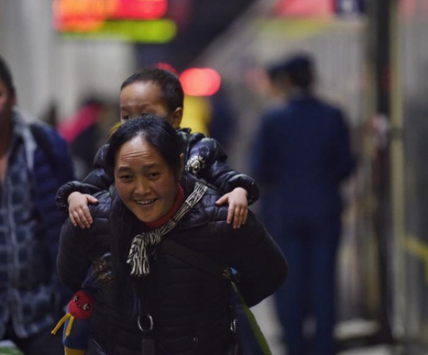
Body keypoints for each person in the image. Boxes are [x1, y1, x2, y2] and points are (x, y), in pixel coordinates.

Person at [57, 115, 288, 354]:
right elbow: (69, 275)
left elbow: (270, 271)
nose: (142, 189)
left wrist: (218, 305)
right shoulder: (90, 219)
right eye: (126, 177)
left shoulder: (222, 217)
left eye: (154, 175)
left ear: (177, 167)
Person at [56, 68, 258, 231]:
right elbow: (89, 185)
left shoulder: (200, 149)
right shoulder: (114, 154)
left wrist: (239, 191)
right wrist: (75, 196)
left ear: (175, 117)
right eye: (126, 116)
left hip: (193, 240)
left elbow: (227, 177)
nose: (134, 124)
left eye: (146, 115)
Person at [251, 54, 355, 355]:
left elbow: (261, 169)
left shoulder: (273, 119)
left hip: (285, 215)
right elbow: (345, 166)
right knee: (324, 284)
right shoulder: (333, 115)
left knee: (289, 283)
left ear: (286, 81)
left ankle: (295, 347)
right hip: (325, 212)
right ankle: (324, 347)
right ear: (312, 77)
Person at [0, 55, 74, 354]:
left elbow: (68, 222)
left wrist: (70, 295)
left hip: (44, 314)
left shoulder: (44, 144)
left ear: (13, 97)